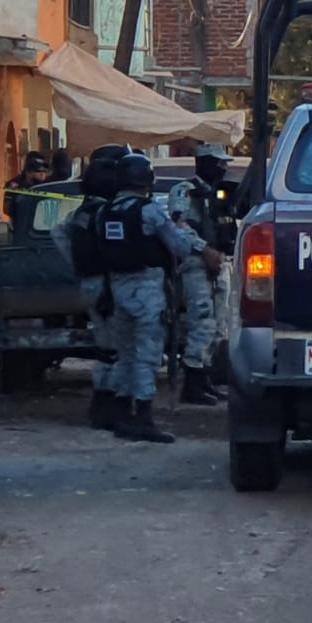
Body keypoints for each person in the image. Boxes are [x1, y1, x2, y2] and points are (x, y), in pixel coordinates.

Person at [98, 152, 222, 443]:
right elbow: (178, 245)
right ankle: (143, 417)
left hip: (117, 289)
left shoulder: (106, 211)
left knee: (125, 354)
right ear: (146, 179)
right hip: (147, 288)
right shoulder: (148, 210)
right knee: (148, 356)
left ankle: (121, 414)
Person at [50, 145, 129, 430]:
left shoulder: (82, 213)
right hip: (107, 286)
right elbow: (111, 255)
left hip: (91, 284)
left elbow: (57, 232)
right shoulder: (105, 214)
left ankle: (103, 406)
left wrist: (79, 267)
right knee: (116, 349)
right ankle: (108, 408)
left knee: (107, 347)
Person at [168, 143, 234, 405]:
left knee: (220, 326)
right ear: (205, 163)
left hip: (221, 262)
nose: (224, 168)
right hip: (196, 263)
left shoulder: (217, 193)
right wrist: (204, 250)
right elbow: (178, 226)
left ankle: (205, 378)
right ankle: (192, 383)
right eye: (219, 163)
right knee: (202, 323)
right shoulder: (185, 191)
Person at [3, 151, 51, 219]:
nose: (43, 174)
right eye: (39, 170)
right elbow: (6, 209)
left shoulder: (47, 185)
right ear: (28, 171)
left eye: (45, 171)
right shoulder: (14, 184)